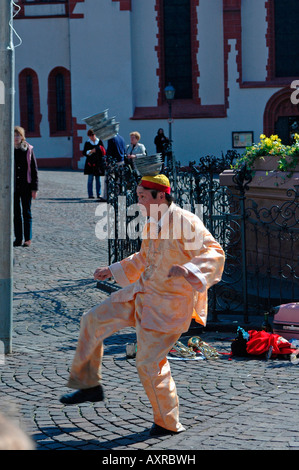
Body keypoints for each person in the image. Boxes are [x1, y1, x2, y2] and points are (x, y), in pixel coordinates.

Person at [59, 174, 225, 436]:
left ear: (161, 196)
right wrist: (112, 269)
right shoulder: (152, 222)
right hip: (141, 294)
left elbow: (214, 252)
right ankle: (89, 385)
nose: (138, 202)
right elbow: (144, 258)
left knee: (149, 364)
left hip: (167, 308)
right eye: (137, 196)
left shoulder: (185, 221)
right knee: (92, 319)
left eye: (142, 196)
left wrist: (189, 269)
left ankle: (167, 423)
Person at [13, 126, 38, 247]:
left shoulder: (28, 150)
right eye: (14, 135)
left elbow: (34, 169)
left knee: (26, 212)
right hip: (13, 186)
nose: (16, 137)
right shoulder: (8, 149)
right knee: (16, 213)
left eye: (18, 135)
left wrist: (34, 188)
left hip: (26, 185)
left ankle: (28, 239)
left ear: (22, 137)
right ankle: (18, 238)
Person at [83, 129, 106, 200]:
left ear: (95, 135)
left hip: (98, 163)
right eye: (90, 136)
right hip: (90, 163)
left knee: (98, 179)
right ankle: (90, 194)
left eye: (92, 135)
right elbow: (84, 152)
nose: (91, 137)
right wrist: (90, 151)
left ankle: (98, 194)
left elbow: (103, 151)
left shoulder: (99, 141)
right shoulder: (87, 143)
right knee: (90, 179)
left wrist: (97, 150)